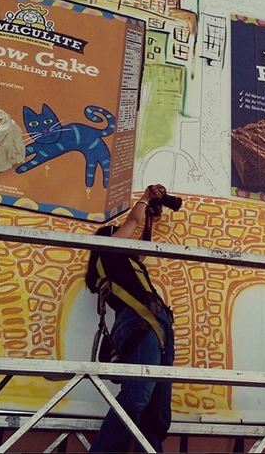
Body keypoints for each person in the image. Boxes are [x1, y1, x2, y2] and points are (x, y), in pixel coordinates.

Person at [86, 184, 175, 453]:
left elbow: (141, 248)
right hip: (139, 320)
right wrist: (146, 199)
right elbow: (132, 221)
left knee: (157, 411)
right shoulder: (108, 250)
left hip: (158, 323)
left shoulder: (128, 262)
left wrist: (151, 219)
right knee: (137, 395)